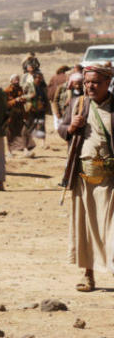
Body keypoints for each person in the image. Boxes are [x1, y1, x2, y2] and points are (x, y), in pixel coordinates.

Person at [57, 64, 114, 293]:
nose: (90, 86)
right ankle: (88, 275)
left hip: (111, 179)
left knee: (111, 228)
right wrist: (70, 127)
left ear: (108, 83)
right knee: (86, 227)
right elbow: (62, 129)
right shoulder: (78, 104)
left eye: (96, 82)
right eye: (87, 82)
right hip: (84, 177)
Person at [5, 74, 33, 156]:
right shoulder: (6, 91)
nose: (17, 80)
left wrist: (23, 99)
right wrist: (15, 100)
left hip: (20, 115)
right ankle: (9, 151)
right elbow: (5, 104)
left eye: (18, 79)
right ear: (11, 81)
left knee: (23, 132)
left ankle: (25, 150)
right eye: (15, 79)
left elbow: (24, 100)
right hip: (10, 116)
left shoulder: (21, 89)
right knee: (10, 134)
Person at [24, 70, 50, 149]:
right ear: (34, 78)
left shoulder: (43, 87)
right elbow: (23, 95)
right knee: (30, 126)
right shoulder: (29, 85)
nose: (39, 79)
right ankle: (27, 144)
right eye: (37, 78)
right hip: (31, 109)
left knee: (42, 125)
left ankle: (43, 143)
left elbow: (46, 97)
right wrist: (30, 96)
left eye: (40, 78)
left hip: (41, 109)